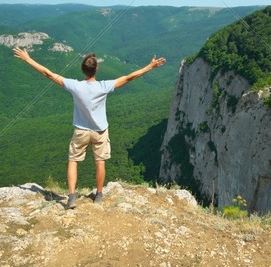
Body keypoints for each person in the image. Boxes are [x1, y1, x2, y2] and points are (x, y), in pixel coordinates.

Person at [13, 47, 166, 209]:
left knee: (73, 161)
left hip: (81, 131)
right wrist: (150, 66)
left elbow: (48, 74)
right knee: (100, 163)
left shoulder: (75, 86)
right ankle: (99, 195)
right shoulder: (104, 86)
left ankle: (71, 198)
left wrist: (28, 59)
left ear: (82, 70)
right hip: (100, 131)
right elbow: (129, 77)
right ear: (96, 70)